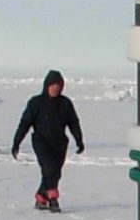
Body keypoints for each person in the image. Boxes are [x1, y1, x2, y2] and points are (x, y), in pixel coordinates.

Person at [13, 69, 86, 211]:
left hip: (59, 143)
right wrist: (17, 142)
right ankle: (53, 199)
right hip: (41, 142)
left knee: (54, 173)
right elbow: (25, 123)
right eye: (53, 85)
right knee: (50, 169)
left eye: (58, 86)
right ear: (47, 86)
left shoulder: (65, 103)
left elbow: (73, 123)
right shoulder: (36, 103)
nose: (55, 88)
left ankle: (41, 198)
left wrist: (79, 140)